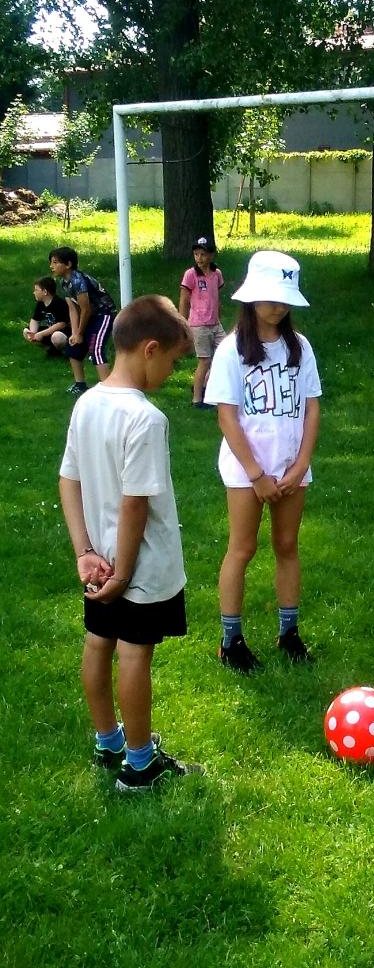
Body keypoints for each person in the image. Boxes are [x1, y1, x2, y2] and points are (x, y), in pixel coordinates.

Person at [59, 294, 204, 793]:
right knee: (135, 654)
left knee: (98, 642)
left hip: (98, 562)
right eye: (173, 361)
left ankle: (109, 742)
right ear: (149, 349)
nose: (172, 371)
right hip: (137, 568)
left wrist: (85, 552)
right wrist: (122, 574)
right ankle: (139, 765)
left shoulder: (87, 402)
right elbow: (135, 504)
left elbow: (68, 480)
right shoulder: (146, 418)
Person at [205, 250, 322, 672]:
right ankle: (231, 640)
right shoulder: (231, 350)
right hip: (246, 470)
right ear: (251, 297)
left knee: (287, 546)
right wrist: (256, 475)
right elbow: (227, 417)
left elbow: (311, 407)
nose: (279, 307)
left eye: (285, 299)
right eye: (271, 298)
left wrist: (300, 464)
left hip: (292, 468)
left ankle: (289, 633)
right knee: (242, 548)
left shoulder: (299, 347)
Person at [49, 246, 117, 397]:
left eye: (55, 262)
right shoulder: (64, 282)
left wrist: (80, 333)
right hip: (89, 315)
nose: (51, 266)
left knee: (96, 349)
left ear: (68, 264)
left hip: (103, 314)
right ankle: (80, 385)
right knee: (73, 346)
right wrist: (75, 333)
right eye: (51, 262)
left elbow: (86, 309)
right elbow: (73, 309)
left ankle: (110, 389)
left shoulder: (78, 280)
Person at [179, 235, 226, 410]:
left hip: (215, 324)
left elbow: (216, 298)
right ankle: (197, 399)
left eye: (203, 254)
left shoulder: (216, 274)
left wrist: (218, 317)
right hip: (199, 324)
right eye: (196, 254)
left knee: (224, 356)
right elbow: (184, 300)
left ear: (211, 255)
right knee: (204, 361)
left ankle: (205, 386)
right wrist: (182, 323)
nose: (199, 258)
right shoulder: (190, 274)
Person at [22, 276, 70, 357]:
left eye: (36, 290)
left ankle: (65, 351)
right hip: (50, 331)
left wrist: (41, 334)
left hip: (63, 333)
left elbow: (61, 324)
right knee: (26, 331)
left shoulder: (58, 303)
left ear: (45, 292)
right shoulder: (41, 303)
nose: (34, 292)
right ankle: (50, 349)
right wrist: (33, 333)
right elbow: (35, 320)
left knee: (57, 337)